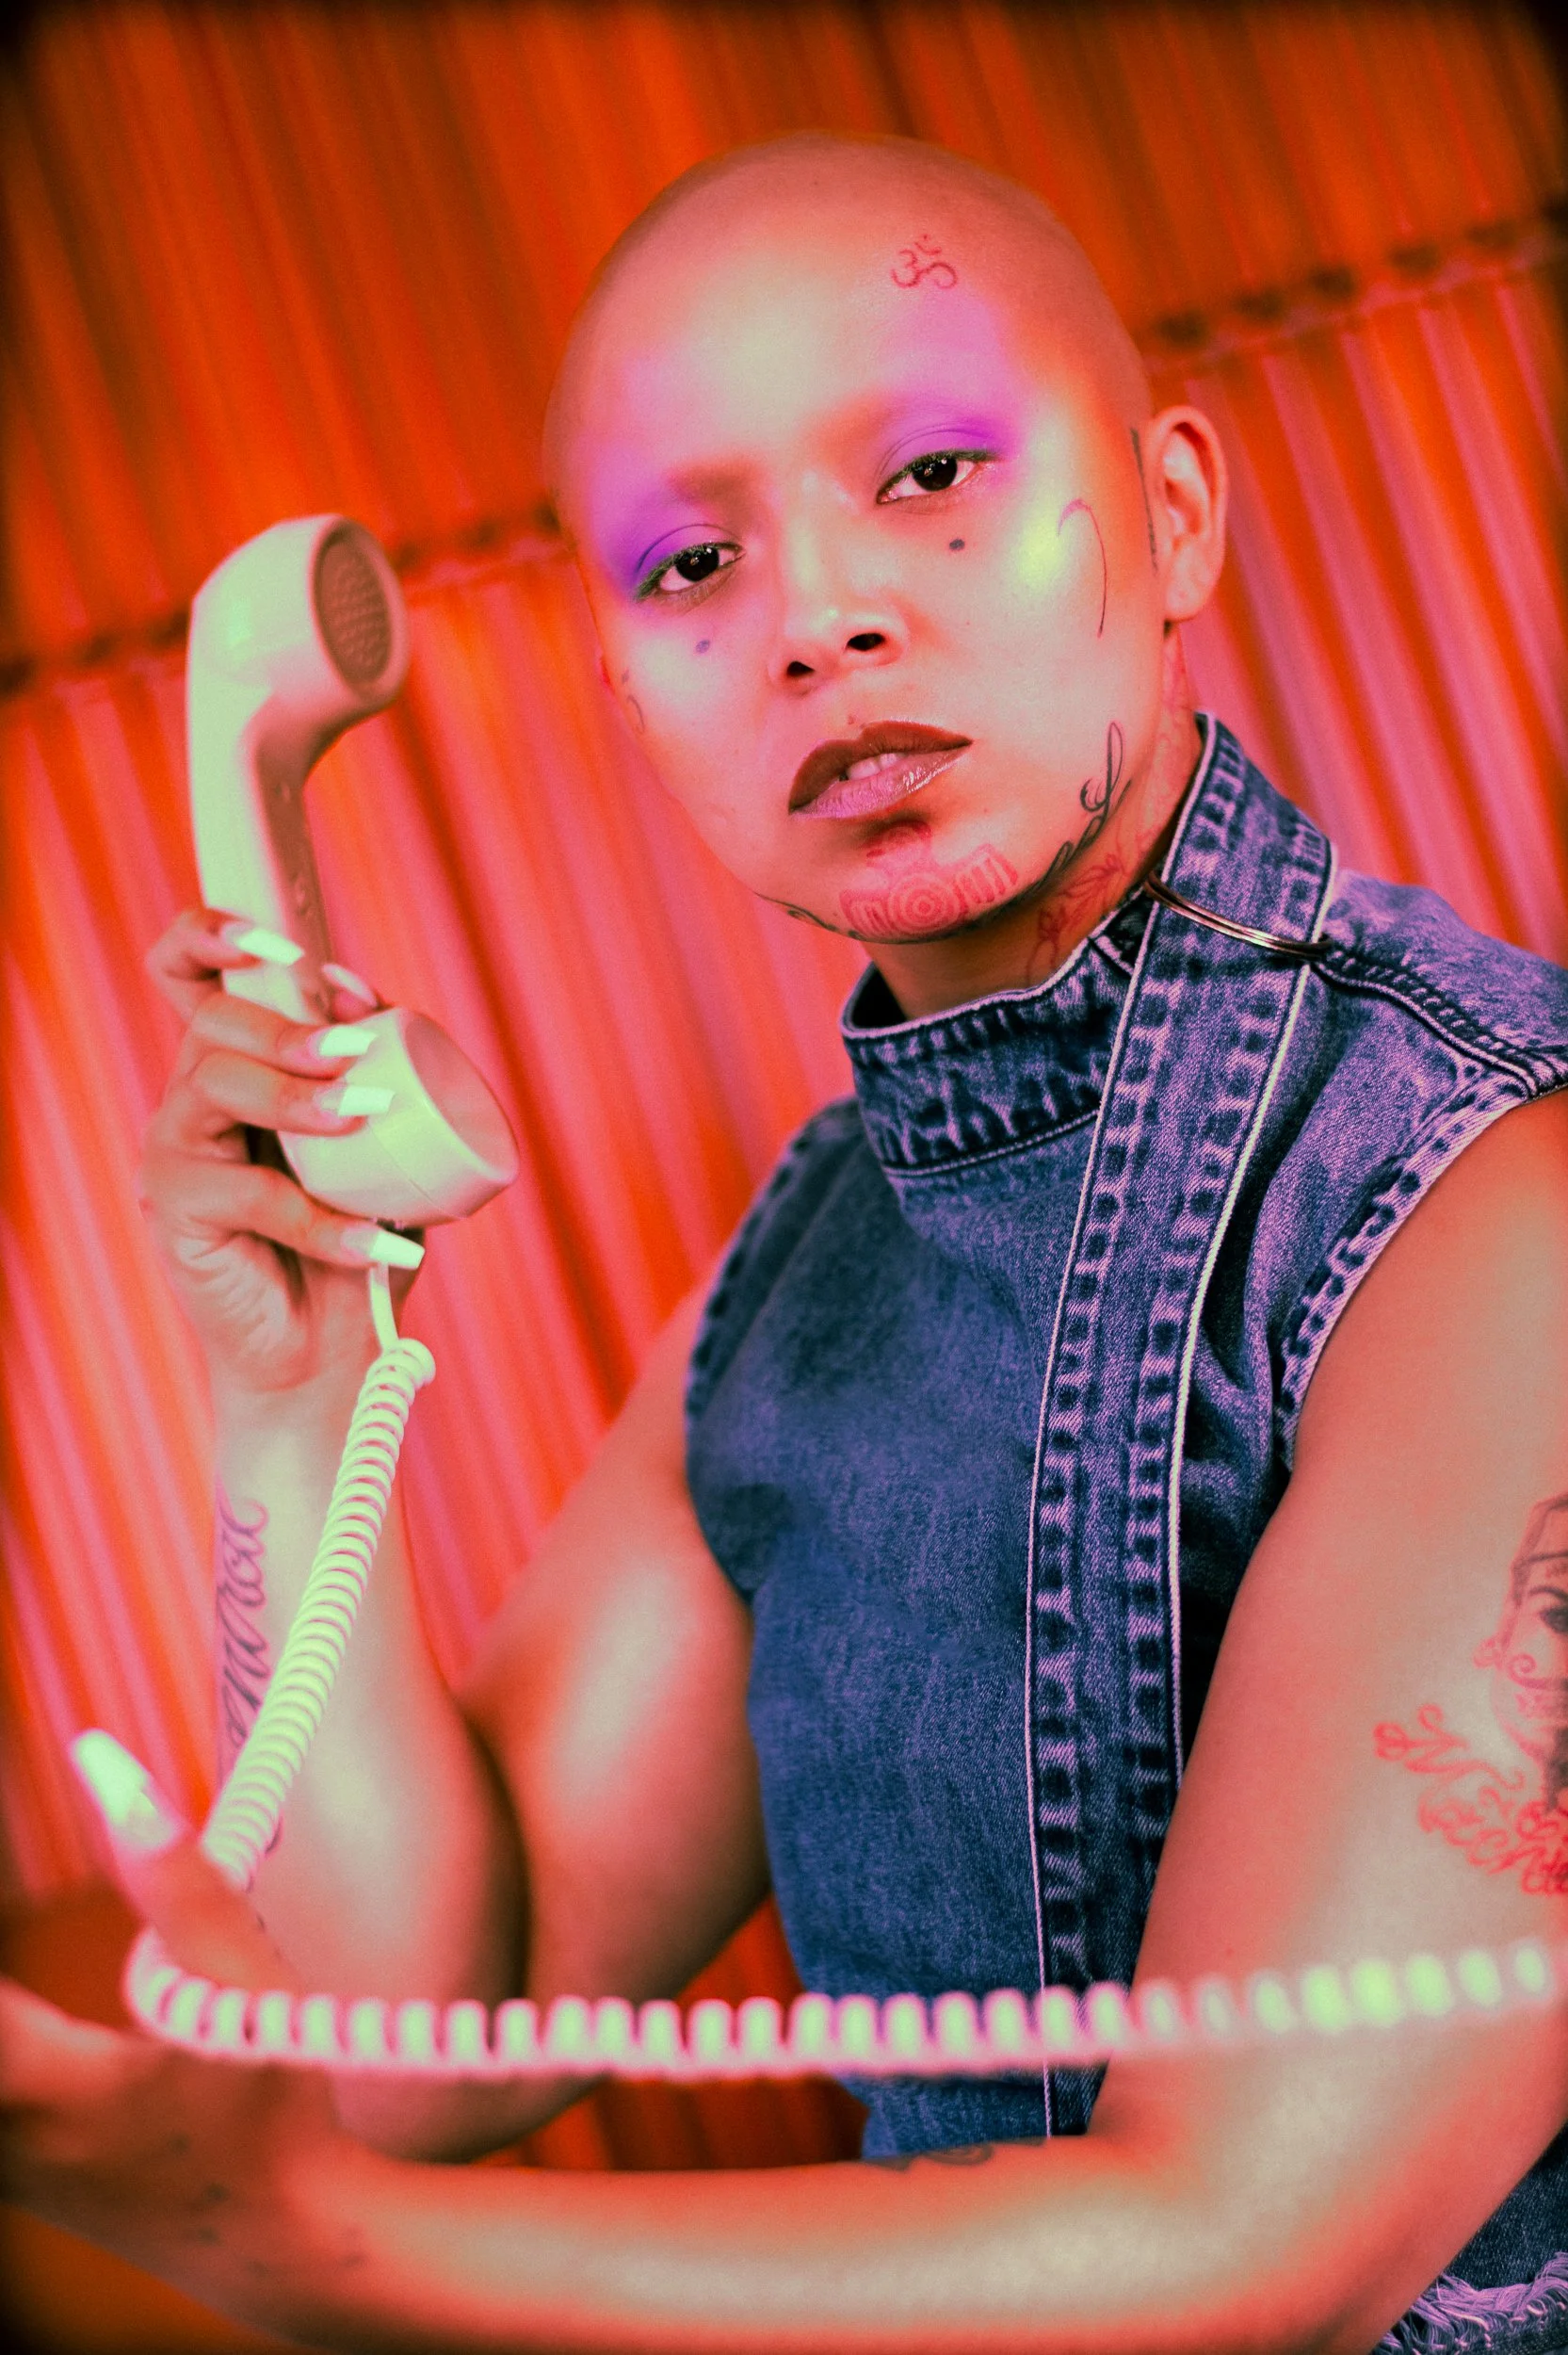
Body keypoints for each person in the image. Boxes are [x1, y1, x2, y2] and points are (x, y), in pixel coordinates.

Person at [5, 131, 1567, 2354]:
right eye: (691, 562)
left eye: (931, 467)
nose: (819, 616)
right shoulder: (813, 1270)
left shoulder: (1488, 1185)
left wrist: (296, 2247)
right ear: (626, 685)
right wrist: (292, 1385)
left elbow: (1246, 2243)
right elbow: (419, 2029)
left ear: (1178, 509)